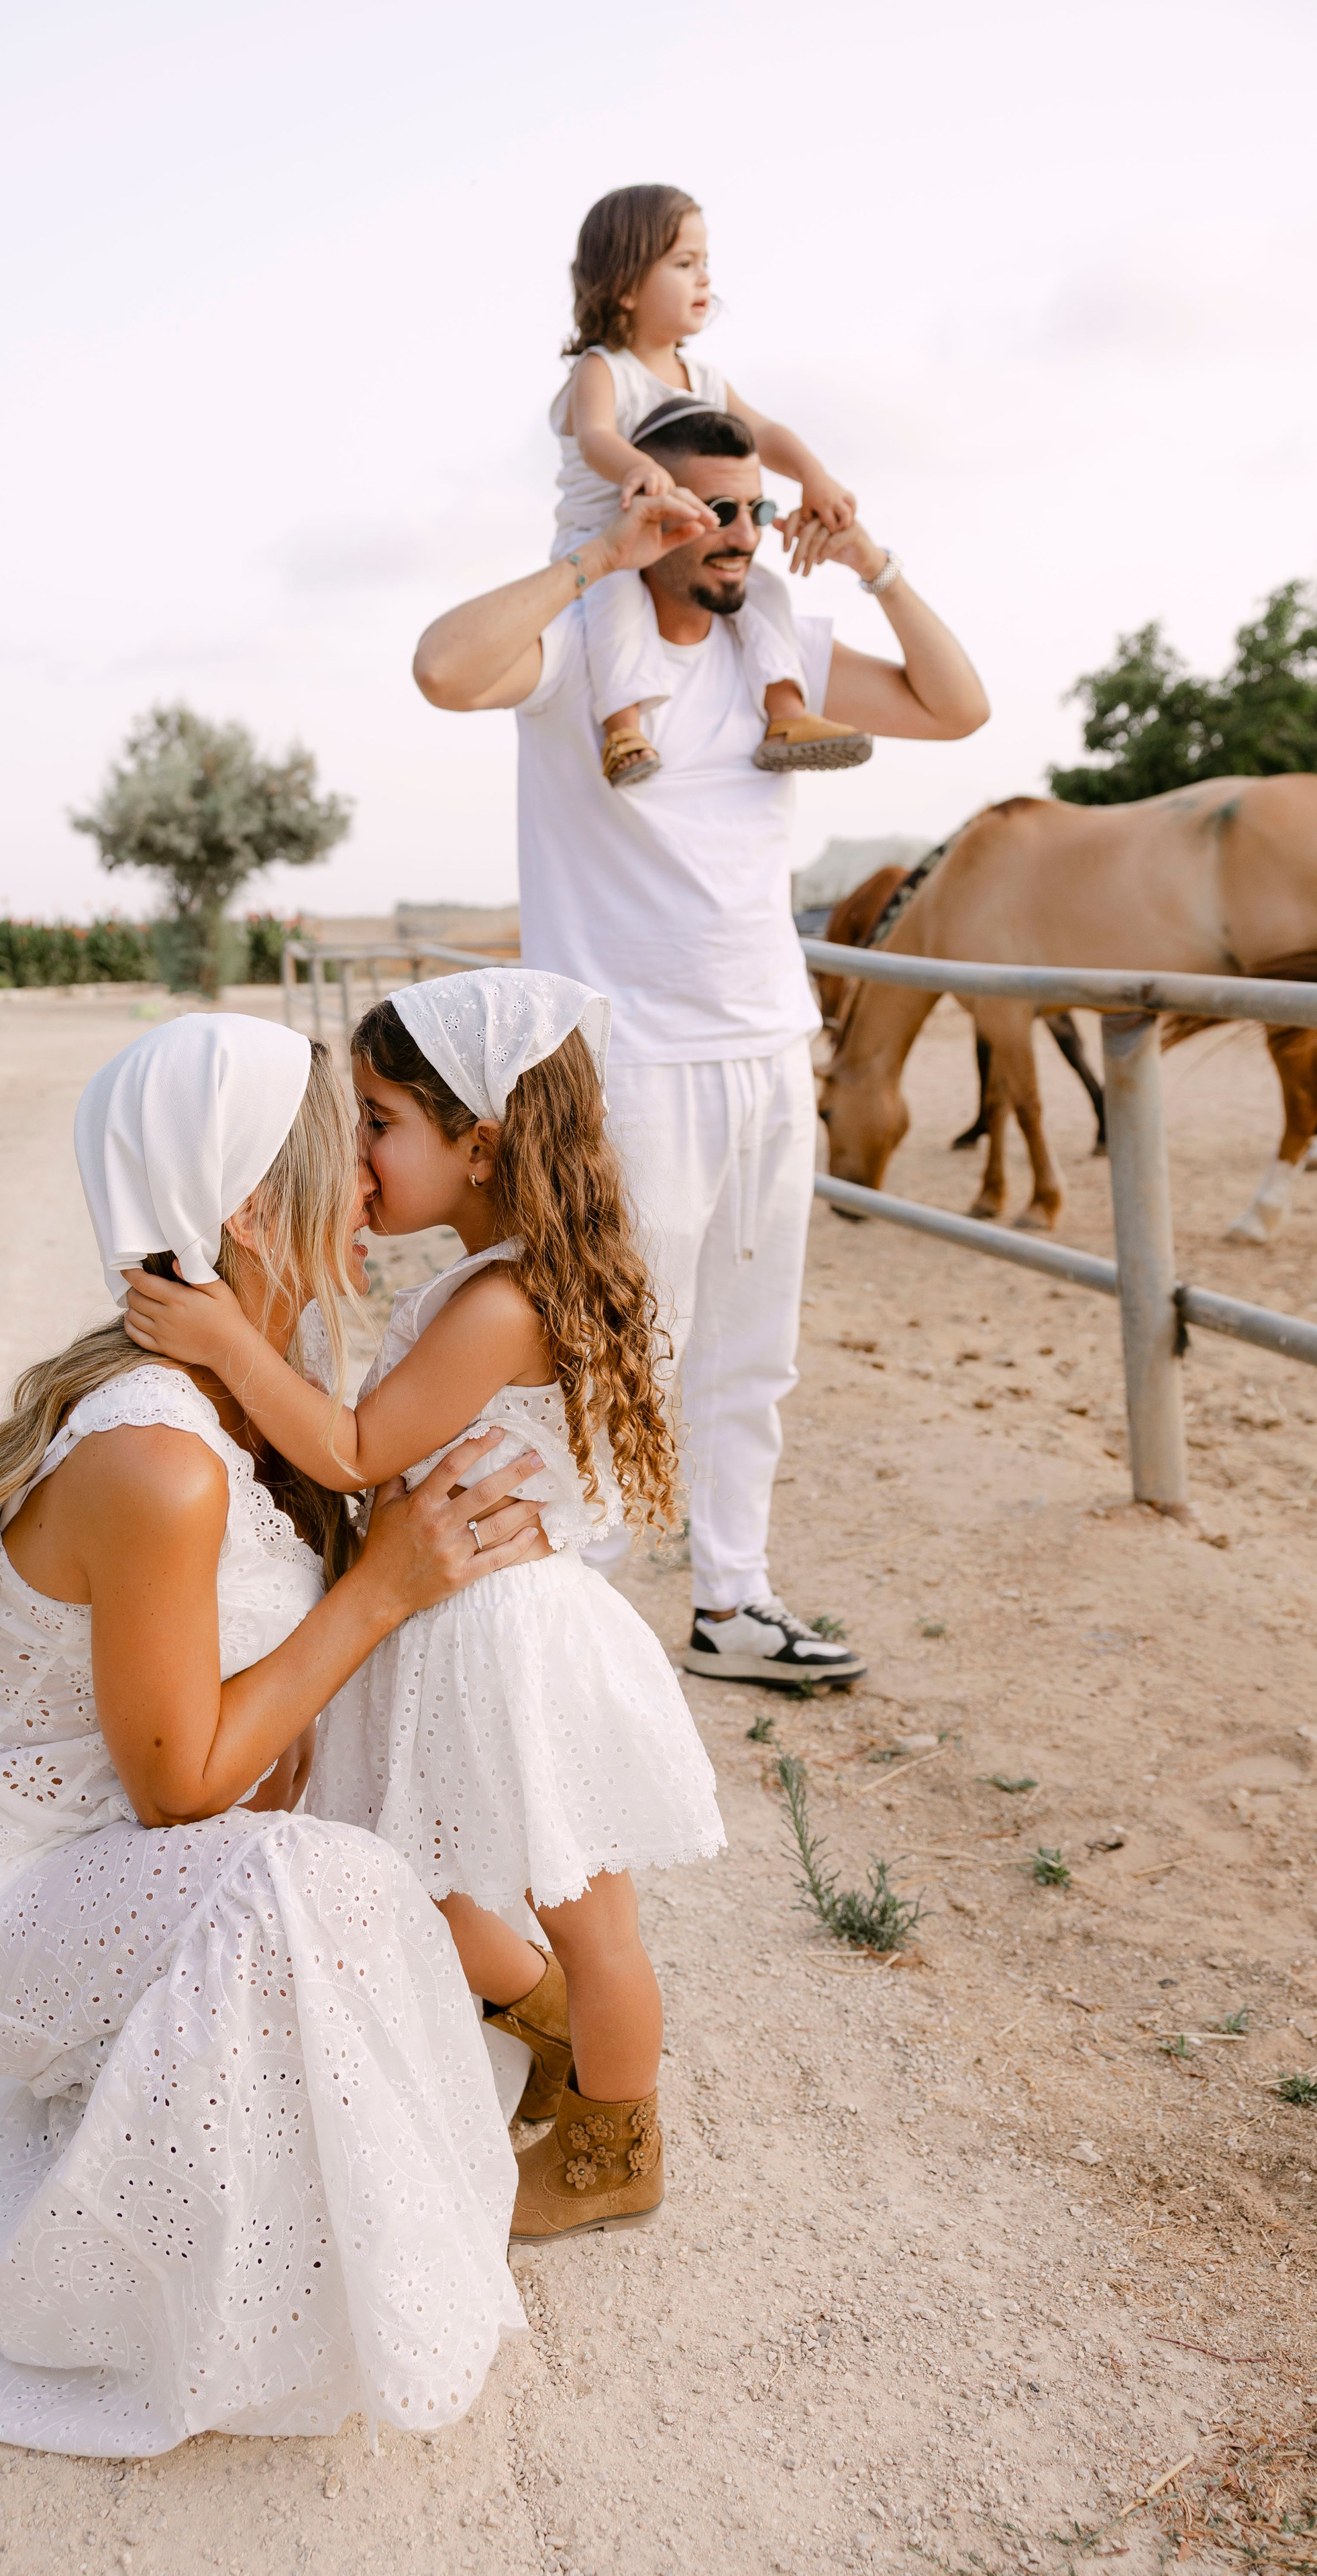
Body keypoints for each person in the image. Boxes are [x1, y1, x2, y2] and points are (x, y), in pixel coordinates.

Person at [0, 1014, 548, 2459]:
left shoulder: (249, 1397)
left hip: (101, 1866)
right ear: (249, 1206)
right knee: (314, 1888)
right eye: (343, 1146)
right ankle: (90, 2284)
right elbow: (180, 1794)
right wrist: (383, 1586)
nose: (371, 1177)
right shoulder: (158, 1454)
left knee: (345, 1862)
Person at [123, 970, 725, 2247]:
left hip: (508, 1643)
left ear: (480, 1143)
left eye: (380, 1119)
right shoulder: (482, 1285)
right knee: (410, 1870)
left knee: (590, 1915)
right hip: (447, 1630)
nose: (362, 1151)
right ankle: (549, 2029)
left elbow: (351, 1450)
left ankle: (620, 2136)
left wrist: (231, 1343)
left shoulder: (501, 1306)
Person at [413, 409, 989, 1689]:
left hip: (773, 1046)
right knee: (622, 1342)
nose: (738, 534)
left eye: (753, 512)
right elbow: (444, 671)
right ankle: (573, 1611)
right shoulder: (579, 649)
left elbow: (960, 707)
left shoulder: (777, 642)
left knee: (751, 1350)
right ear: (657, 510)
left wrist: (871, 557)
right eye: (710, 509)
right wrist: (595, 558)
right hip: (634, 1062)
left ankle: (732, 1600)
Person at [551, 182, 868, 789]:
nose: (704, 279)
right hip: (610, 546)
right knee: (616, 605)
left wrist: (813, 476)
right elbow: (594, 436)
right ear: (624, 286)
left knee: (766, 592)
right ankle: (623, 729)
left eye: (705, 263)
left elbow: (764, 430)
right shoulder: (602, 369)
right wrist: (635, 469)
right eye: (683, 263)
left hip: (680, 542)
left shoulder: (701, 376)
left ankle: (786, 713)